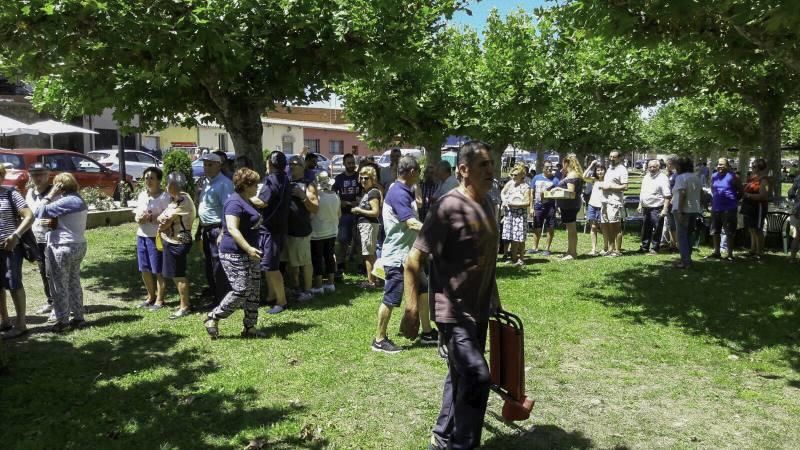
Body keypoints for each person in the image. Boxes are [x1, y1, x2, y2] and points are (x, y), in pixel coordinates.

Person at [400, 141, 499, 450]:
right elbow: (413, 260)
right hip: (452, 313)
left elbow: (487, 257)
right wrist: (412, 310)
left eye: (491, 164)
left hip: (478, 309)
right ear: (463, 170)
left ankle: (442, 437)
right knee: (477, 377)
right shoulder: (447, 206)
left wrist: (494, 299)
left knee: (460, 374)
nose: (490, 171)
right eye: (482, 165)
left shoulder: (488, 203)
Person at [372, 156, 436, 353]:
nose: (420, 175)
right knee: (391, 298)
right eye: (418, 171)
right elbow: (411, 222)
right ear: (411, 172)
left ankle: (426, 332)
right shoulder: (399, 193)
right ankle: (379, 339)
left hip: (411, 255)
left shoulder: (403, 190)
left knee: (423, 290)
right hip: (397, 256)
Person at [204, 168, 264, 338]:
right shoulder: (234, 203)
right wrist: (248, 248)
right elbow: (231, 227)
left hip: (251, 252)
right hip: (235, 252)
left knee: (254, 290)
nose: (257, 186)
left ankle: (250, 327)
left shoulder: (248, 200)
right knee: (242, 289)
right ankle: (213, 317)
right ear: (245, 185)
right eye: (255, 184)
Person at [34, 173, 89, 332]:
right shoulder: (78, 199)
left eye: (55, 185)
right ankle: (78, 318)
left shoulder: (66, 200)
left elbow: (39, 211)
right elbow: (65, 220)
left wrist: (50, 195)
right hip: (78, 244)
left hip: (62, 246)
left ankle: (63, 322)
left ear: (60, 186)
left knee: (59, 286)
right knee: (73, 282)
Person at [0, 164, 34, 339]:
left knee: (14, 283)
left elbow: (29, 216)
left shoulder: (10, 193)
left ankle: (21, 324)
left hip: (10, 247)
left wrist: (15, 236)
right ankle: (4, 321)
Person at [255, 151, 291, 314]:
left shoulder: (271, 179)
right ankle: (270, 296)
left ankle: (281, 301)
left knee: (272, 267)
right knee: (268, 265)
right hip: (278, 228)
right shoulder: (285, 179)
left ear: (270, 164)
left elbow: (262, 202)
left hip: (270, 230)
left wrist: (243, 196)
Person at [196, 152, 234, 306]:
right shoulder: (208, 182)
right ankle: (215, 295)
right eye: (205, 164)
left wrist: (224, 231)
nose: (207, 167)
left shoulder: (224, 183)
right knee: (210, 265)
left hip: (217, 229)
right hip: (206, 229)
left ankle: (223, 299)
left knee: (218, 265)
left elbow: (229, 209)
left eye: (210, 164)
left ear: (219, 165)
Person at [157, 172, 196, 319]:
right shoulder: (175, 200)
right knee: (175, 275)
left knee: (178, 275)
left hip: (178, 242)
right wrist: (162, 221)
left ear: (173, 186)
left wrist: (163, 222)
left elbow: (165, 220)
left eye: (167, 184)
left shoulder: (184, 201)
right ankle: (184, 303)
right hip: (171, 240)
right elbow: (162, 218)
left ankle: (184, 306)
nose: (165, 187)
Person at [133, 167, 171, 310]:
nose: (148, 181)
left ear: (159, 180)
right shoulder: (142, 195)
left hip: (156, 237)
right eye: (146, 178)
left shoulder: (165, 197)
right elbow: (137, 213)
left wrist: (154, 218)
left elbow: (169, 217)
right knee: (144, 269)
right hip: (142, 235)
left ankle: (160, 300)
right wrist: (139, 218)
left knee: (158, 270)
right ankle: (150, 296)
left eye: (152, 178)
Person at [285, 156, 319, 302]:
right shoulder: (287, 183)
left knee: (304, 261)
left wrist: (303, 196)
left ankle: (308, 290)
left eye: (295, 164)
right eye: (290, 164)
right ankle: (296, 288)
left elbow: (315, 208)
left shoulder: (308, 185)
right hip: (286, 229)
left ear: (303, 166)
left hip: (301, 229)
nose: (292, 167)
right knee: (291, 263)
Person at [24, 162, 55, 319]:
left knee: (53, 272)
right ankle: (50, 300)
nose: (38, 178)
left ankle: (59, 303)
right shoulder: (30, 192)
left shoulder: (54, 192)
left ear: (48, 174)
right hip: (36, 238)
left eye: (41, 174)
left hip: (52, 238)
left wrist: (53, 221)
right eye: (34, 174)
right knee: (43, 271)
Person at [310, 171, 340, 295]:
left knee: (317, 259)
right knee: (329, 257)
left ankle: (318, 285)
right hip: (332, 231)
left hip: (317, 232)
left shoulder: (317, 197)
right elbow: (339, 214)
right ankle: (331, 283)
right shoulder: (336, 196)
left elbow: (311, 215)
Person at [352, 166, 382, 289]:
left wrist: (359, 210)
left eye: (366, 178)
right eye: (361, 178)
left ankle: (371, 282)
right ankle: (376, 280)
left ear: (372, 179)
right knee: (369, 254)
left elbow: (375, 212)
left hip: (369, 225)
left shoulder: (373, 192)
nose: (363, 180)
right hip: (366, 225)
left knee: (368, 255)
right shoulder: (368, 192)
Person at [333, 153, 362, 277]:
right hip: (344, 214)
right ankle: (340, 265)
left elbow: (366, 191)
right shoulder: (339, 178)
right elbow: (333, 193)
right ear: (344, 164)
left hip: (359, 213)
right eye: (349, 163)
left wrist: (359, 199)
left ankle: (361, 265)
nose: (351, 165)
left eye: (353, 163)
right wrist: (340, 201)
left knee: (360, 241)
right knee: (343, 240)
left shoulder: (359, 177)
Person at [672, 157, 703, 269]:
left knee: (682, 236)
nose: (675, 167)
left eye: (677, 165)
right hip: (694, 210)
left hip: (683, 210)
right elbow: (701, 193)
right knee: (689, 235)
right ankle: (687, 259)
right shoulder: (696, 177)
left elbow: (683, 194)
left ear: (680, 166)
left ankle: (685, 262)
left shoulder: (681, 178)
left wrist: (680, 211)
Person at [551, 155, 584, 260]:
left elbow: (571, 191)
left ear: (567, 163)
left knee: (571, 229)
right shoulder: (572, 174)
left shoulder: (572, 175)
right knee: (570, 229)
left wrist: (557, 189)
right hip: (569, 205)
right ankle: (570, 251)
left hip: (570, 205)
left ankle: (572, 253)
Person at [707, 158, 741, 260]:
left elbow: (741, 190)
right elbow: (713, 189)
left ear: (727, 166)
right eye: (718, 164)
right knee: (715, 230)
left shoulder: (733, 176)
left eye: (722, 164)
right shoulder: (714, 176)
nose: (719, 166)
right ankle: (717, 252)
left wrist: (734, 200)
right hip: (716, 207)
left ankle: (730, 254)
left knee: (729, 231)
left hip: (729, 208)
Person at [637, 159, 672, 254]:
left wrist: (665, 209)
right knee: (646, 228)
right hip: (646, 207)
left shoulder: (663, 178)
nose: (652, 169)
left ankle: (655, 248)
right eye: (650, 167)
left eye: (654, 167)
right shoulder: (646, 177)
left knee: (657, 229)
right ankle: (644, 247)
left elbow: (667, 195)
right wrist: (640, 204)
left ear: (658, 167)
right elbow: (642, 191)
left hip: (657, 207)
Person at [599, 150, 629, 257]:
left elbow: (625, 186)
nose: (611, 158)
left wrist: (610, 187)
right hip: (605, 201)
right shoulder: (609, 168)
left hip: (614, 202)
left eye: (614, 157)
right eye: (610, 156)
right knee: (606, 225)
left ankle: (617, 250)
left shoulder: (622, 170)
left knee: (615, 225)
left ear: (619, 158)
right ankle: (610, 249)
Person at [500, 164, 531, 265]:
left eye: (516, 175)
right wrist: (504, 200)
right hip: (509, 214)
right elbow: (502, 192)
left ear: (522, 175)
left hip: (520, 215)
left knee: (520, 238)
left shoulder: (525, 187)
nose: (513, 177)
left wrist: (514, 204)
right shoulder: (510, 183)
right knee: (511, 237)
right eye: (512, 174)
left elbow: (527, 203)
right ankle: (513, 258)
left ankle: (521, 258)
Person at [528, 162, 560, 256]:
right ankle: (535, 247)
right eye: (547, 167)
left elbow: (559, 192)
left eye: (551, 167)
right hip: (538, 206)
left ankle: (547, 248)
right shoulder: (536, 178)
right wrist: (531, 207)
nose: (549, 169)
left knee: (550, 227)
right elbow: (531, 193)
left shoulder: (555, 180)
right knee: (537, 227)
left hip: (550, 206)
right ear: (543, 168)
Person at [741, 158, 770, 259]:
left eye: (754, 166)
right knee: (752, 229)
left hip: (758, 207)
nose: (752, 168)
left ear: (760, 168)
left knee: (758, 229)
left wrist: (748, 195)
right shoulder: (753, 178)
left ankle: (759, 252)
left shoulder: (764, 180)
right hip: (750, 207)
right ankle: (752, 250)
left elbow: (764, 196)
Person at [583, 161, 608, 256]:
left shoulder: (608, 180)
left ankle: (605, 248)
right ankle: (593, 249)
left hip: (602, 206)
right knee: (593, 227)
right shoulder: (594, 180)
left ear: (605, 171)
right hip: (592, 205)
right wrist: (591, 165)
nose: (599, 172)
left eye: (601, 170)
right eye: (598, 170)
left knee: (603, 227)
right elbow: (584, 176)